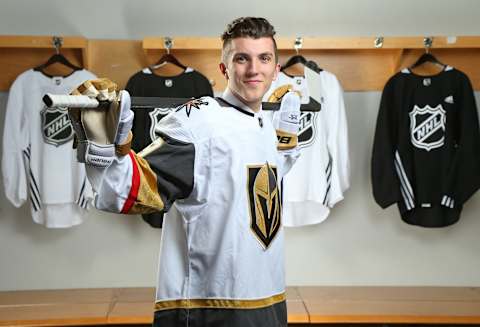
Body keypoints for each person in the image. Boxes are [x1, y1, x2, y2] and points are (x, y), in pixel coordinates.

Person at [68, 17, 301, 327]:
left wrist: (285, 141)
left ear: (275, 69)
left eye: (264, 58)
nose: (254, 69)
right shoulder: (200, 126)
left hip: (270, 300)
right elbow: (127, 192)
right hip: (212, 309)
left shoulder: (263, 126)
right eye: (241, 58)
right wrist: (104, 148)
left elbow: (252, 185)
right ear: (224, 68)